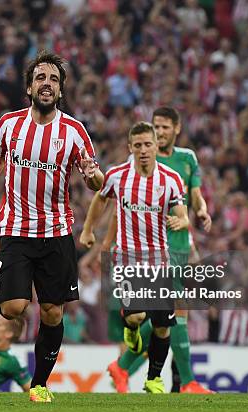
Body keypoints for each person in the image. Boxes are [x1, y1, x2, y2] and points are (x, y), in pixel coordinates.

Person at [0, 51, 103, 403]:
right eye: (41, 78)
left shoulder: (74, 131)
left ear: (61, 90)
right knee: (12, 308)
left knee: (53, 312)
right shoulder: (9, 125)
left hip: (55, 233)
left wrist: (93, 176)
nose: (47, 84)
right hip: (16, 230)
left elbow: (95, 179)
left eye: (54, 79)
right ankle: (11, 294)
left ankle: (39, 384)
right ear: (29, 86)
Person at [102, 107, 214, 394]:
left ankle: (124, 367)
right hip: (150, 250)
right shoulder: (137, 160)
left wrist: (201, 213)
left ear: (177, 128)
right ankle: (185, 381)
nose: (160, 132)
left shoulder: (187, 158)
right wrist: (108, 243)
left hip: (181, 244)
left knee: (175, 314)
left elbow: (196, 198)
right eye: (156, 127)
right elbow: (120, 208)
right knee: (172, 313)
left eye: (165, 127)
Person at [80, 121, 188, 394]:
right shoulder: (117, 175)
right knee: (137, 317)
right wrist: (88, 229)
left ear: (156, 146)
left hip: (159, 261)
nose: (142, 150)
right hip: (127, 259)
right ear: (130, 148)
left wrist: (182, 221)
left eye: (147, 144)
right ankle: (130, 329)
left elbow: (181, 210)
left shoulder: (170, 179)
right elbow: (101, 199)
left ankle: (153, 379)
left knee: (163, 327)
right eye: (137, 145)